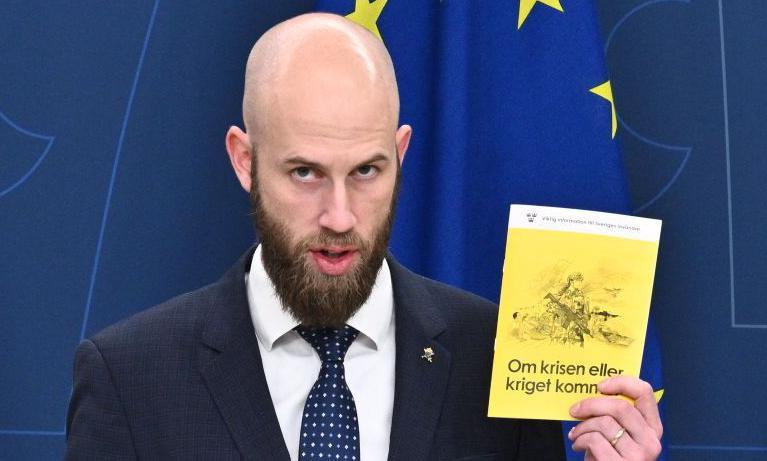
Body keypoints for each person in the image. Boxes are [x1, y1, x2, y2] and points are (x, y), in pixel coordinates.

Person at [65, 13, 662, 461]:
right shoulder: (130, 377)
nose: (341, 217)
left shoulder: (494, 364)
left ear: (400, 155)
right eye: (305, 173)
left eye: (367, 171)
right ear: (244, 160)